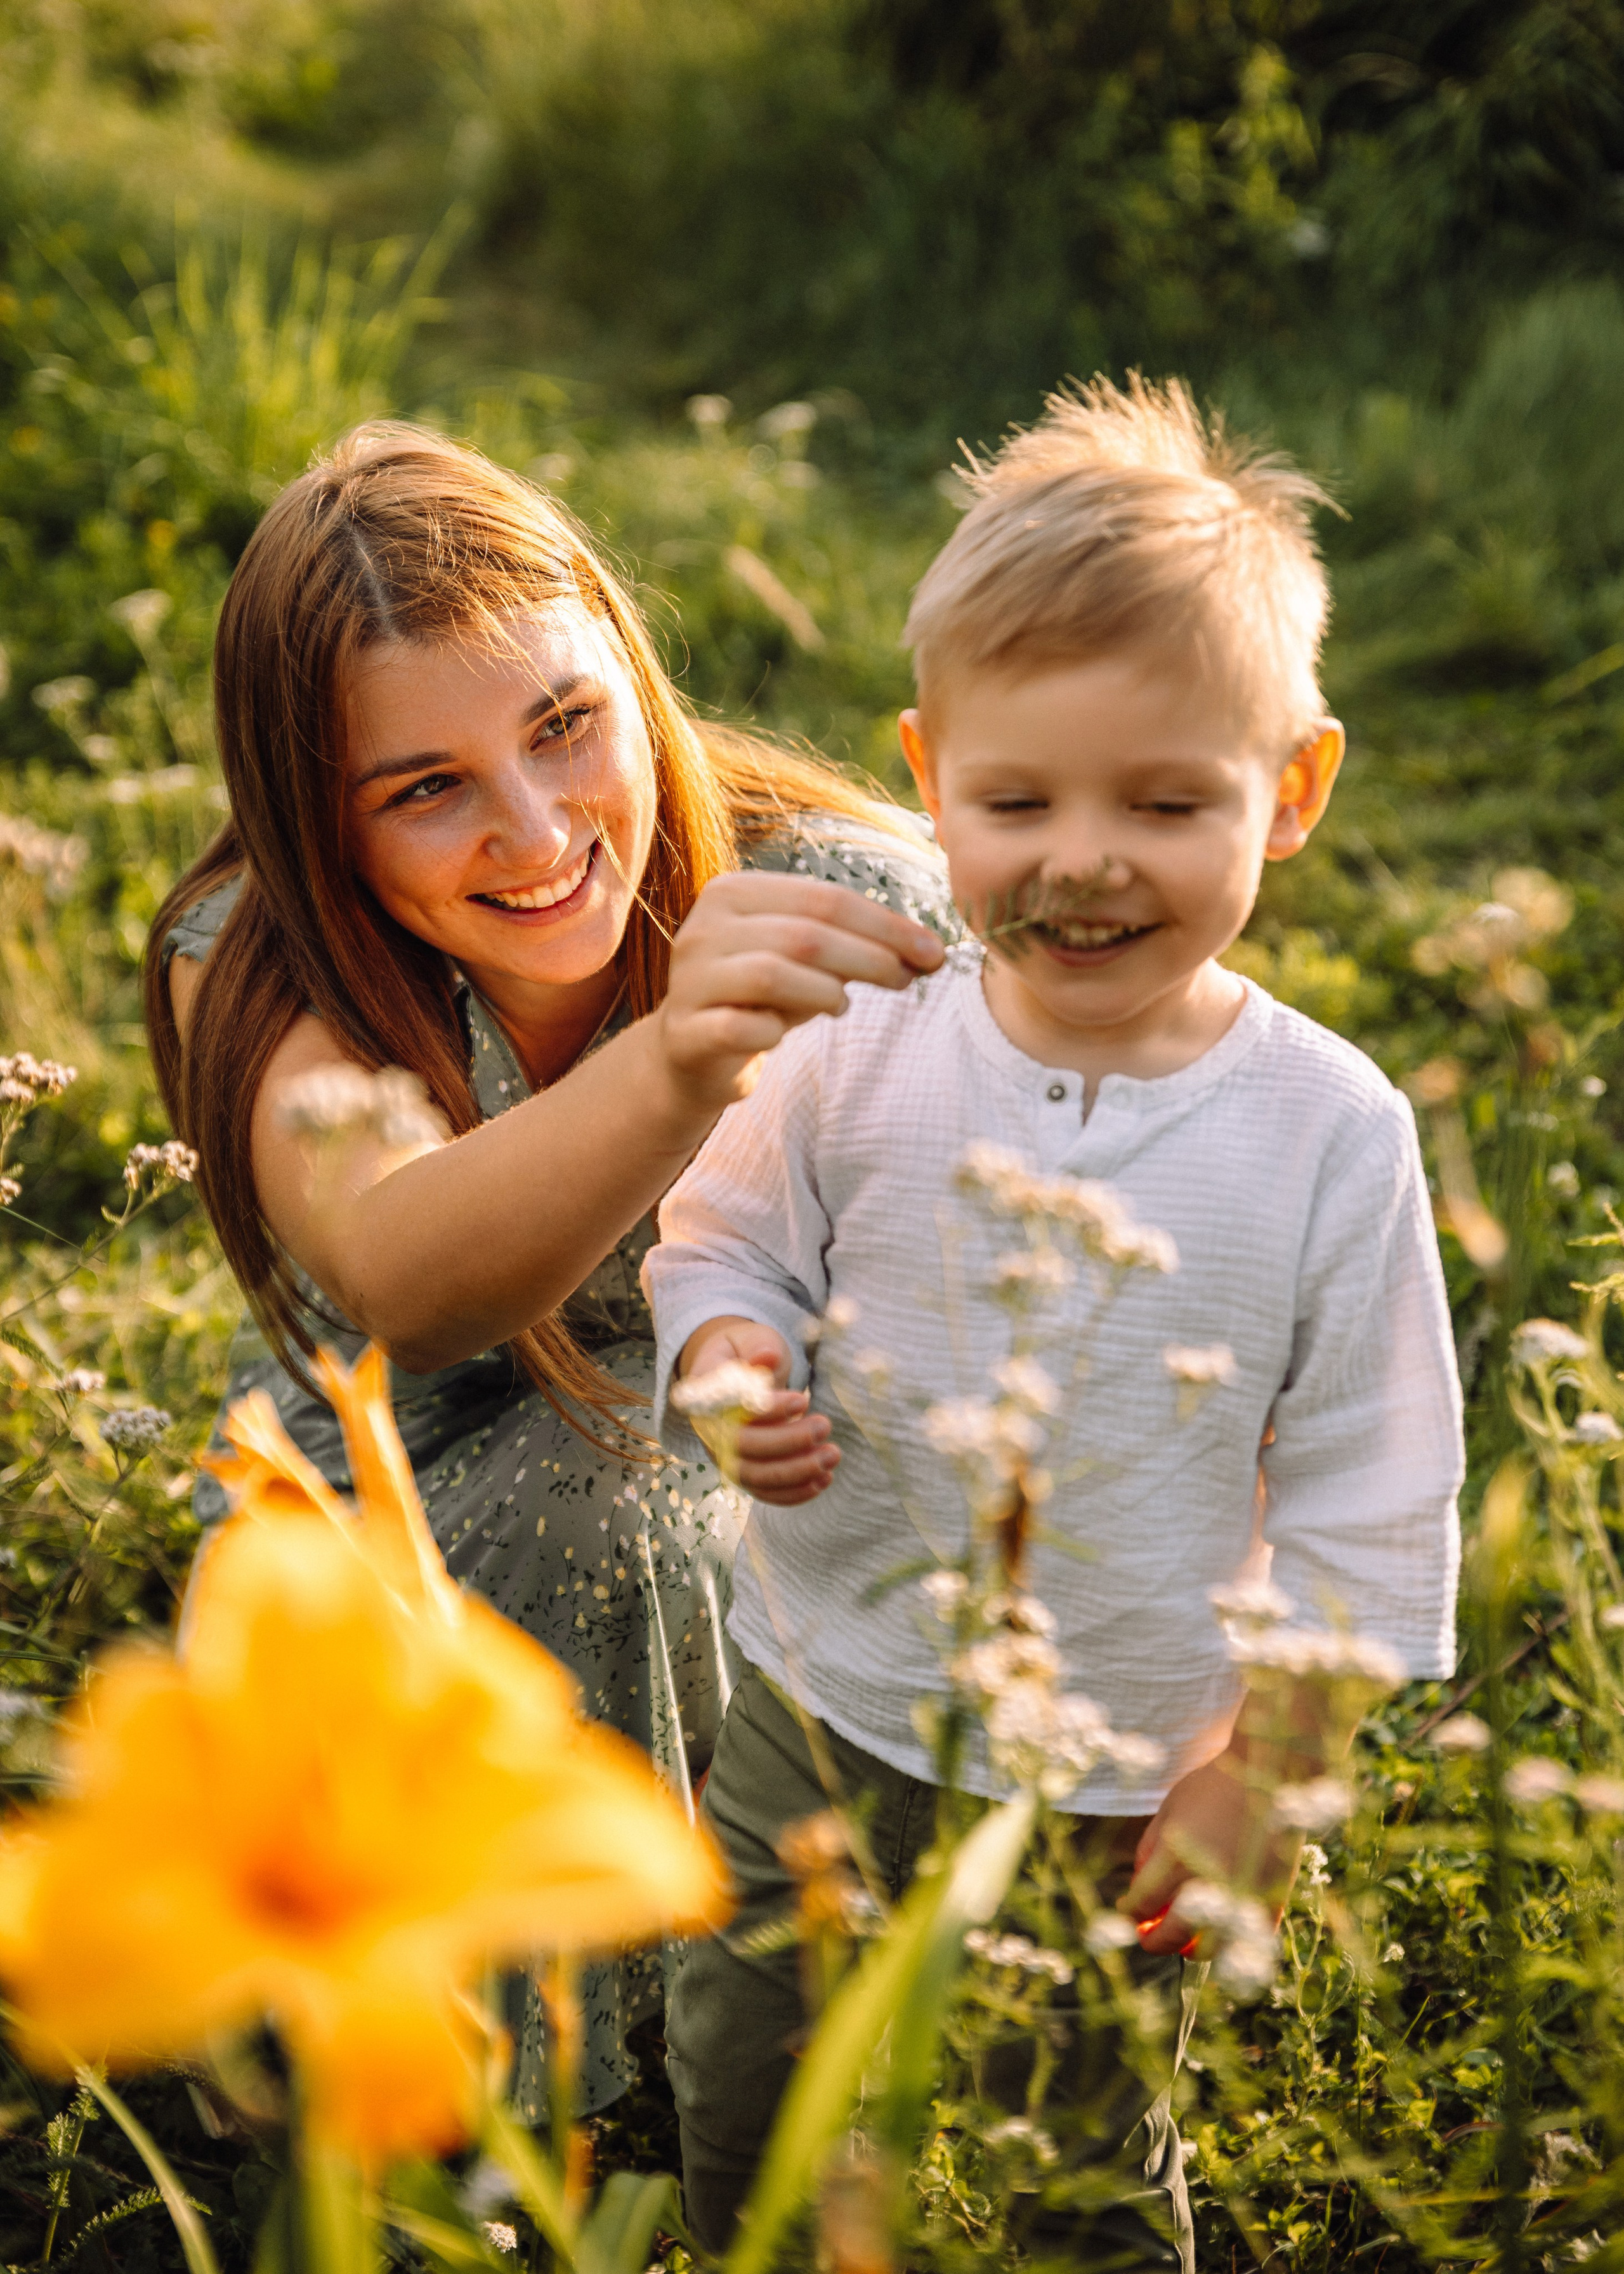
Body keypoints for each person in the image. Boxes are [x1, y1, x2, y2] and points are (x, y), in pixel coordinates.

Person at [645, 375, 1464, 2265]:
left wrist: (1270, 1757)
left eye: (1167, 803)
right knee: (742, 2034)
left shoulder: (1330, 1131)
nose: (1083, 858)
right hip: (825, 1675)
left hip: (1113, 1752)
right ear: (929, 777)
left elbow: (1367, 1479)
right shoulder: (863, 1037)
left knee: (1075, 2131)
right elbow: (727, 1234)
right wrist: (729, 1361)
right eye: (1017, 802)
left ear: (1298, 788)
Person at [143, 421, 952, 2118]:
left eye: (564, 726)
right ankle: (524, 2122)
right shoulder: (254, 962)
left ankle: (768, 2003)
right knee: (609, 1502)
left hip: (766, 1481)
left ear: (626, 674)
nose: (533, 828)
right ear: (316, 818)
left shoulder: (822, 888)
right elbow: (411, 1274)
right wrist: (680, 1063)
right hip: (387, 1533)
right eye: (426, 789)